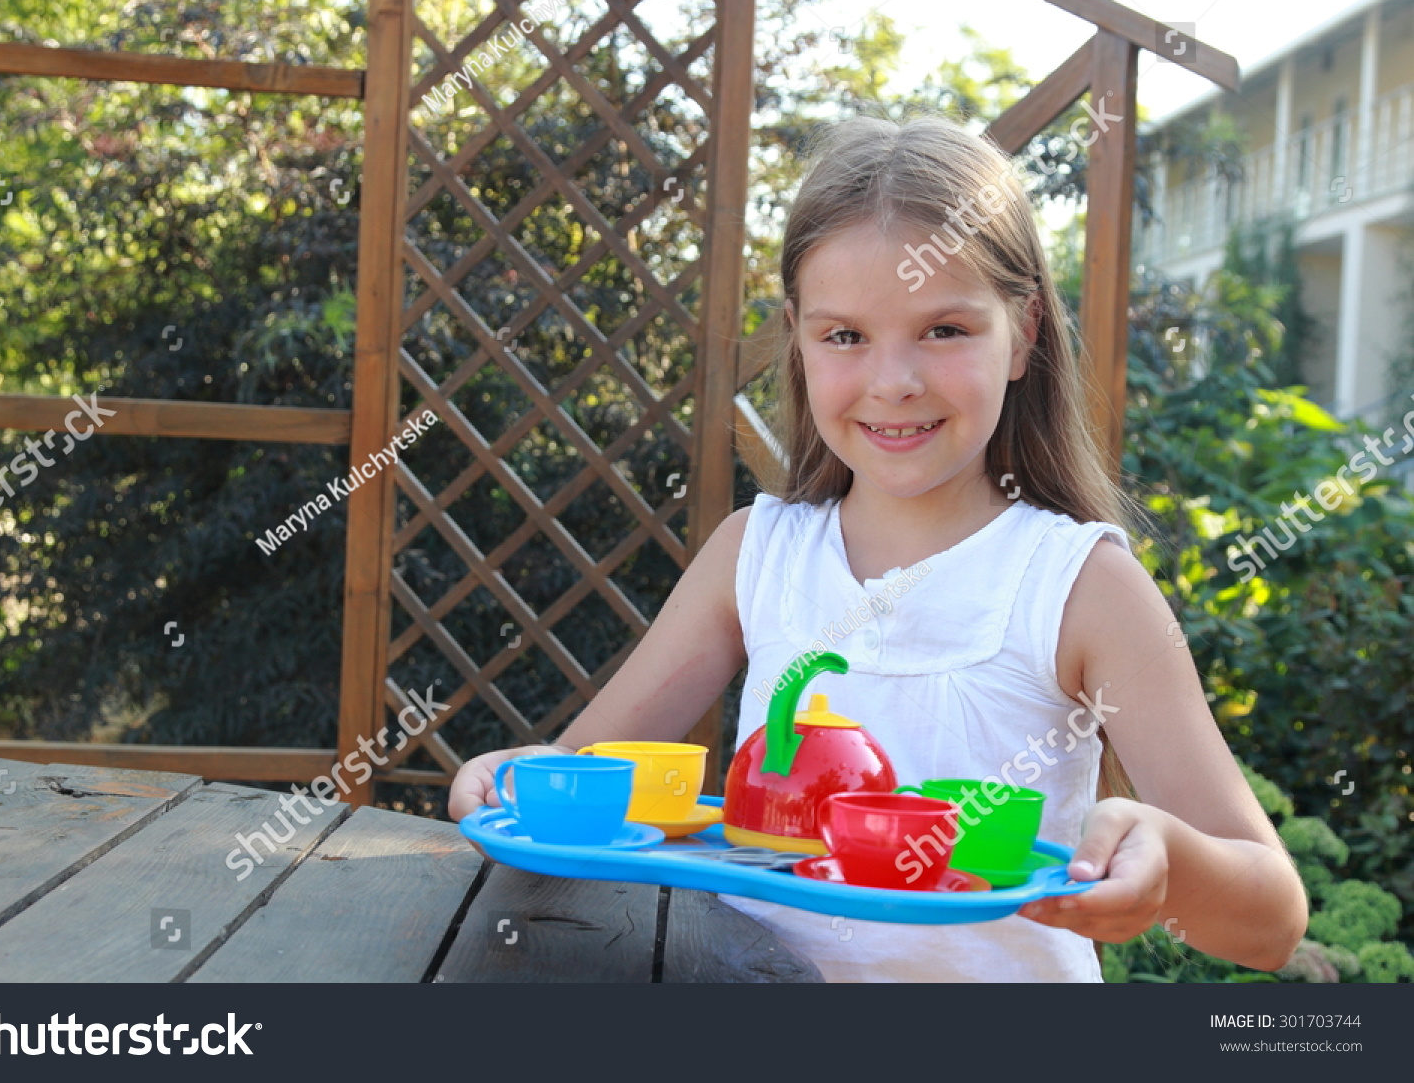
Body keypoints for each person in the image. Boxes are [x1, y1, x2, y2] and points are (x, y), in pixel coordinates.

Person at [448, 112, 1307, 982]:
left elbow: (1271, 921)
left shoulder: (1081, 588)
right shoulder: (756, 556)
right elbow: (576, 785)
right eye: (846, 335)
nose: (894, 381)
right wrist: (506, 781)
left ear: (1026, 333)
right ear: (798, 336)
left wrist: (1168, 857)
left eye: (945, 329)